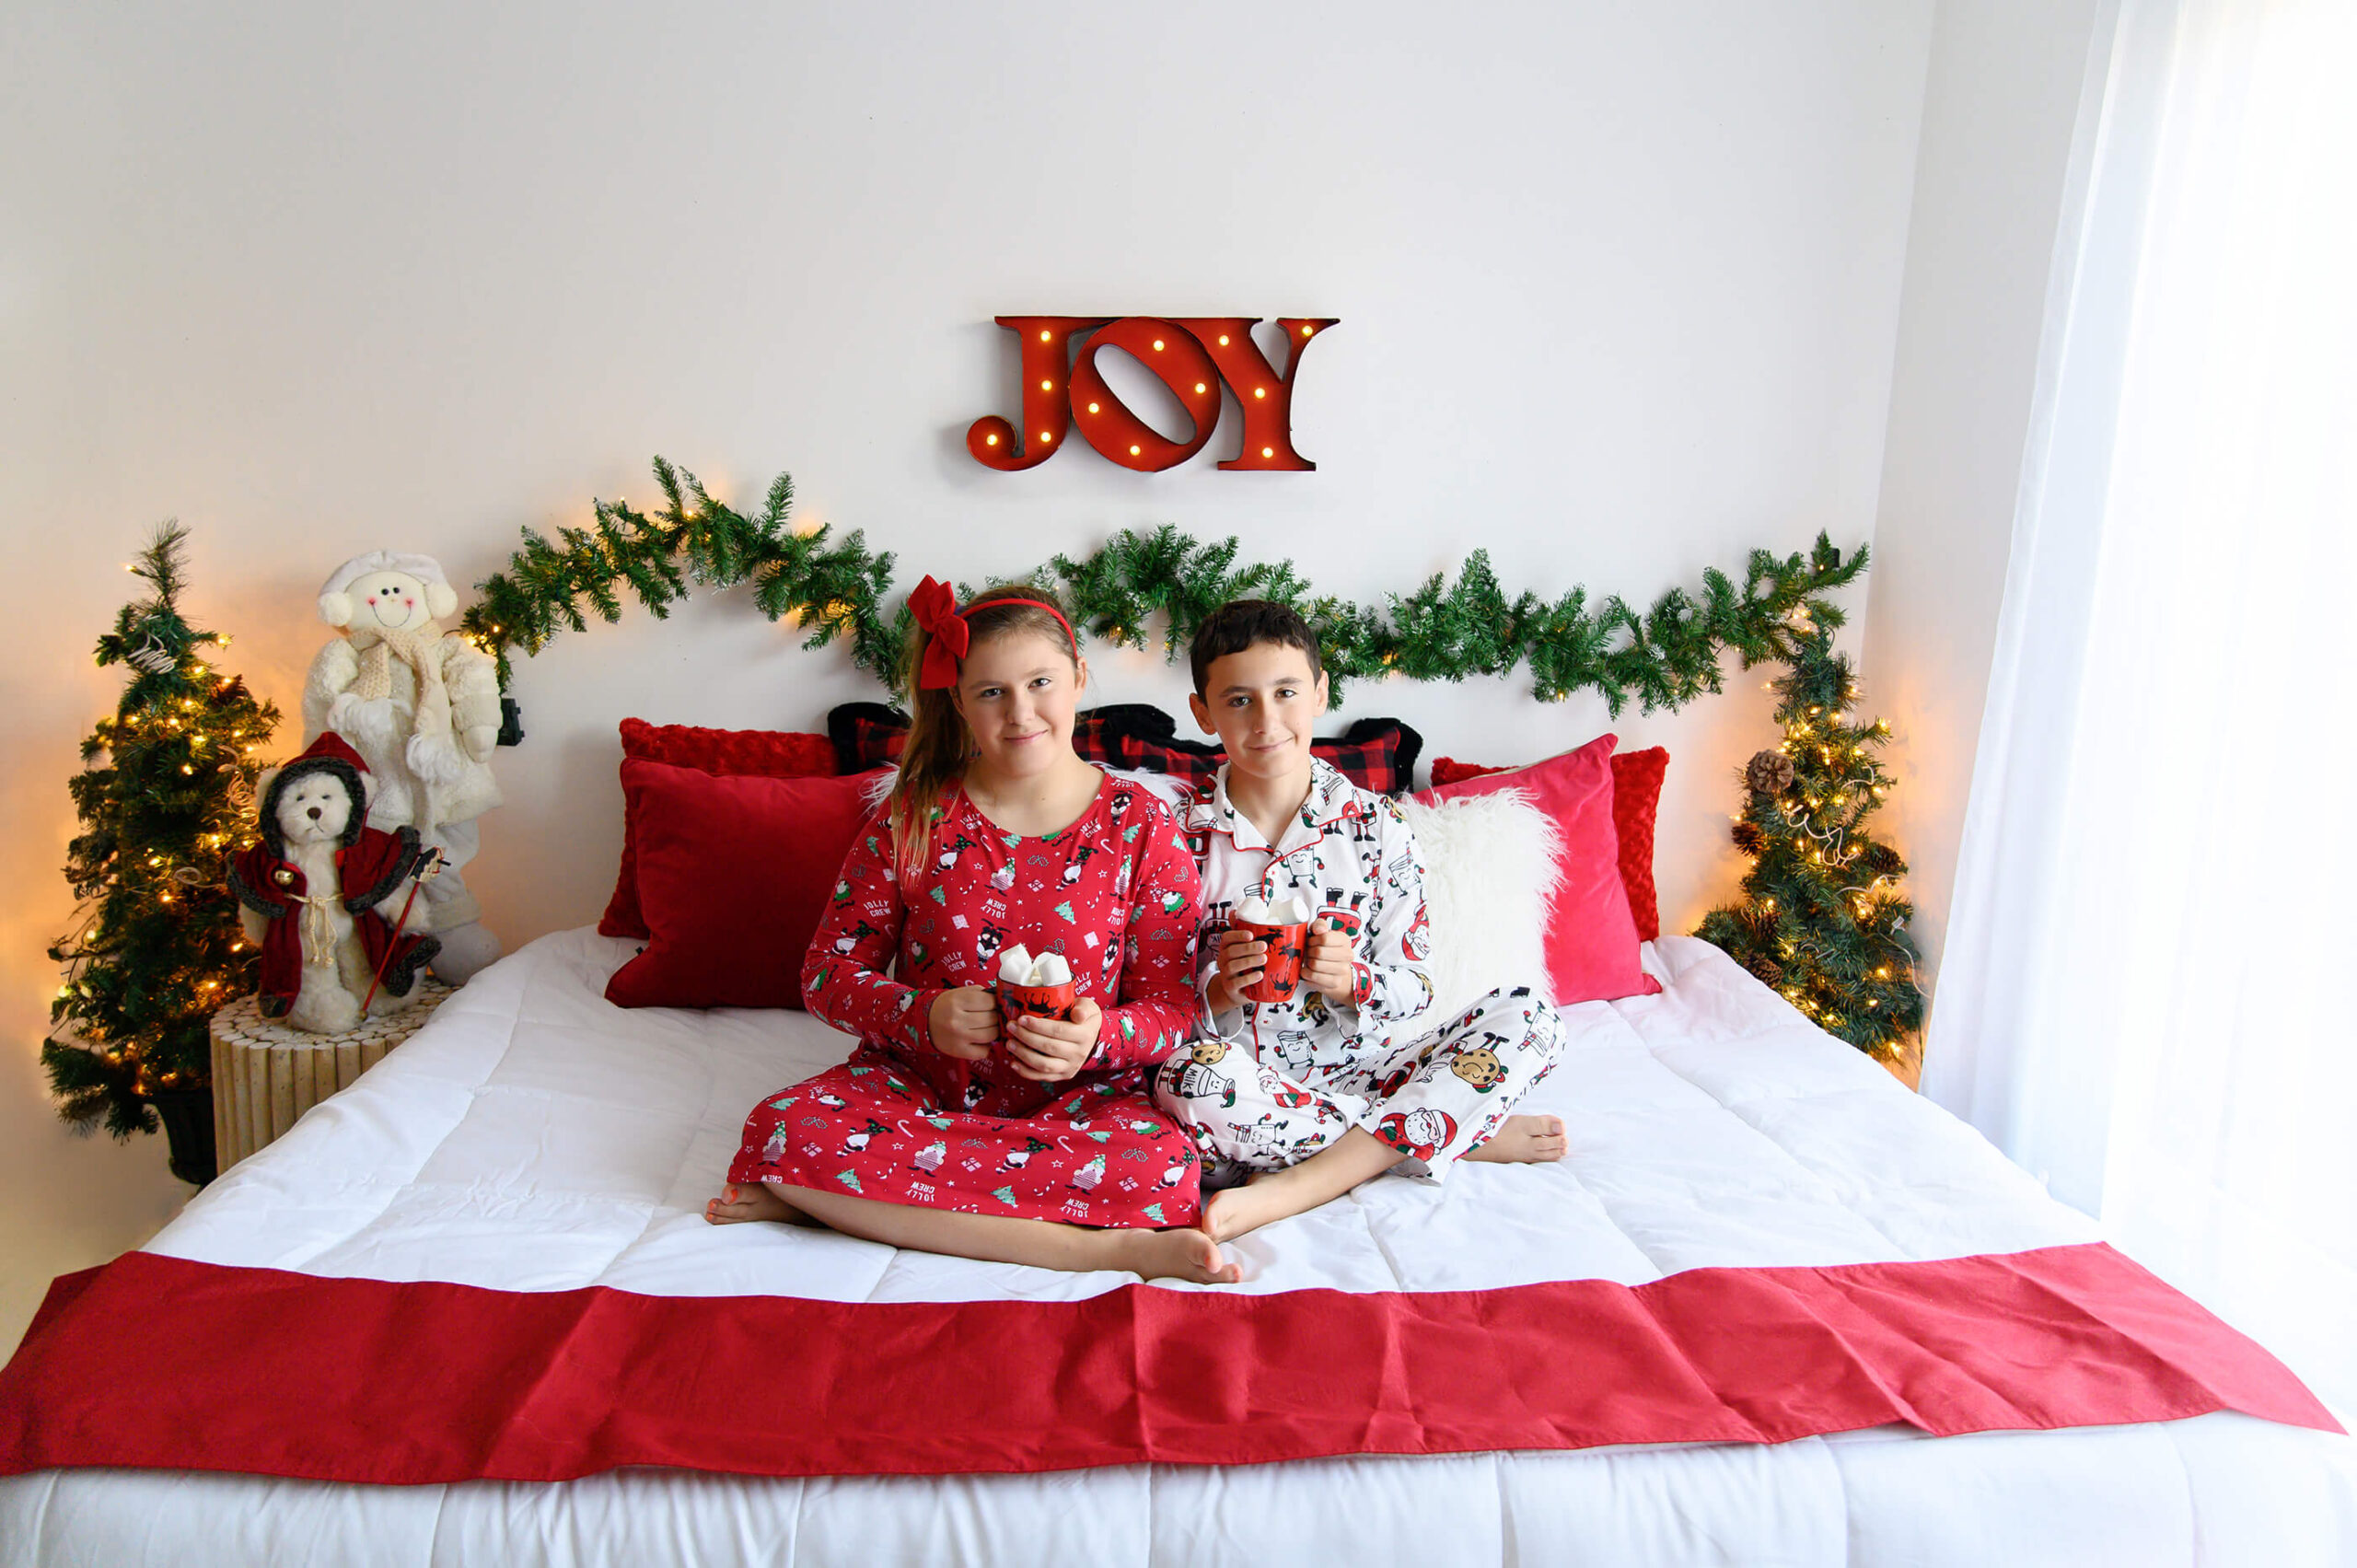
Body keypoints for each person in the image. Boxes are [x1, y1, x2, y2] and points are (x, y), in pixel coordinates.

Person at [706, 578, 1237, 1284]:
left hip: (1085, 1103)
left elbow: (1172, 1011)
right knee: (784, 1129)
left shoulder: (1141, 825)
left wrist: (1095, 1038)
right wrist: (921, 1014)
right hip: (919, 1088)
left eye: (1040, 682)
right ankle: (1101, 1248)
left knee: (1166, 1169)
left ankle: (842, 1203)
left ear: (1079, 678)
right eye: (990, 692)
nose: (1020, 712)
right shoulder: (915, 816)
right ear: (958, 702)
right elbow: (826, 974)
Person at [1158, 599, 1569, 1242]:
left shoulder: (1380, 830)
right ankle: (1437, 1128)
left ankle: (1307, 1180)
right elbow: (1152, 1006)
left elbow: (1415, 990)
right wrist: (1218, 991)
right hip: (1243, 1089)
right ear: (1203, 713)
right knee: (1183, 1080)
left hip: (1364, 1067)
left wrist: (1354, 982)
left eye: (1285, 692)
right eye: (1239, 700)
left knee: (1533, 1017)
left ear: (1320, 693)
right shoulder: (1175, 838)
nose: (1266, 720)